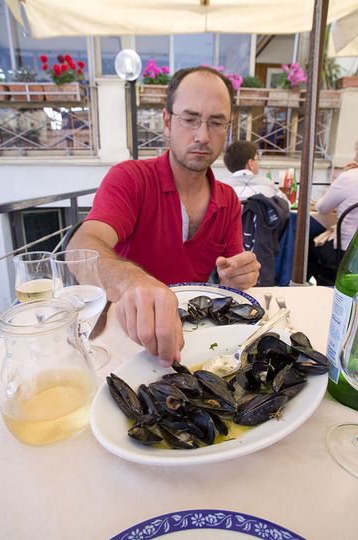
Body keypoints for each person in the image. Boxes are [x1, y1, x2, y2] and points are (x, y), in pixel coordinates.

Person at [68, 66, 260, 366]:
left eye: (216, 122)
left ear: (228, 129)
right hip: (123, 339)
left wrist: (238, 275)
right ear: (167, 121)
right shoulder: (130, 179)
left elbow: (232, 283)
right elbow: (81, 245)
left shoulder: (229, 200)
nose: (202, 135)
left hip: (196, 340)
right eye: (190, 119)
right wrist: (132, 281)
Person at [307, 166, 358, 284]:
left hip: (346, 252)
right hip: (348, 251)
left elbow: (322, 208)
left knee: (309, 245)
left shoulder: (348, 177)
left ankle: (323, 285)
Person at [223, 140, 289, 204]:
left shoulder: (221, 188)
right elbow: (286, 205)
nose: (259, 163)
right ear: (250, 163)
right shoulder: (267, 184)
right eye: (257, 159)